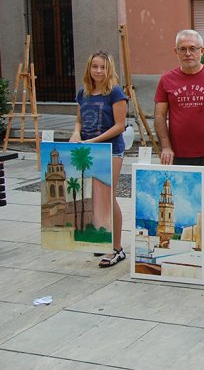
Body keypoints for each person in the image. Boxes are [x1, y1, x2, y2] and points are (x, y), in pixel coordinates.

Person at [155, 29, 204, 266]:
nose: (188, 53)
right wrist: (166, 146)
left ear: (202, 51)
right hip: (179, 154)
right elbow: (159, 116)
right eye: (183, 49)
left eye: (192, 48)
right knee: (180, 201)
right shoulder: (166, 80)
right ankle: (185, 245)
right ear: (175, 52)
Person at [70, 51, 128, 268]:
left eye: (103, 67)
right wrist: (77, 134)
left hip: (111, 151)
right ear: (89, 68)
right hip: (88, 150)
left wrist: (93, 141)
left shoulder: (115, 92)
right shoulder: (82, 93)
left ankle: (117, 249)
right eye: (95, 66)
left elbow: (119, 126)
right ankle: (103, 238)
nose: (99, 71)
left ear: (109, 69)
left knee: (108, 197)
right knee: (94, 197)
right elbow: (79, 121)